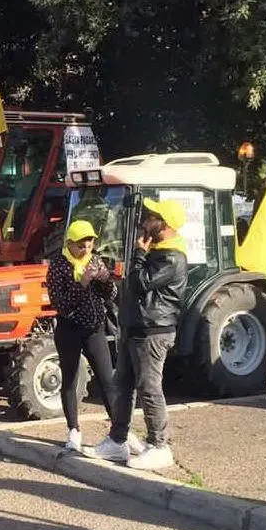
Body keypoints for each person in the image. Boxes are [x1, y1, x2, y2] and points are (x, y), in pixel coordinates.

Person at [86, 199, 188, 470]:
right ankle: (118, 440)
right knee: (124, 385)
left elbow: (139, 282)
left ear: (163, 225)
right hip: (135, 328)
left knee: (149, 388)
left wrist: (139, 253)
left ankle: (159, 445)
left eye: (151, 216)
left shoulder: (172, 258)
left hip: (153, 332)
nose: (145, 219)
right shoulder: (157, 252)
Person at [46, 220, 119, 451]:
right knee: (70, 380)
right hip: (69, 329)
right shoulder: (58, 265)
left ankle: (119, 432)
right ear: (69, 243)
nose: (86, 249)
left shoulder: (95, 260)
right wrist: (83, 283)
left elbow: (110, 295)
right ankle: (74, 430)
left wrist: (105, 279)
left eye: (89, 243)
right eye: (80, 245)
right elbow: (60, 304)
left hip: (95, 328)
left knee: (108, 380)